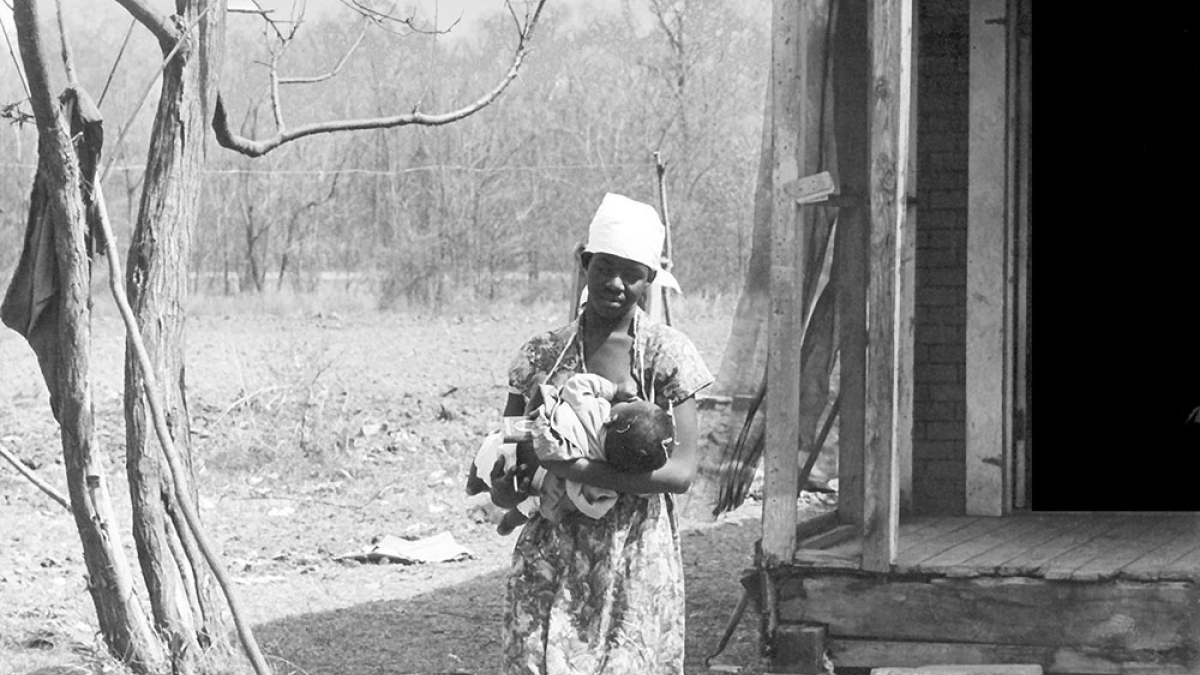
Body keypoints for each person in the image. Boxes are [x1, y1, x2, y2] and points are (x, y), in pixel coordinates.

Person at [489, 192, 714, 674]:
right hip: (549, 555)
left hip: (631, 555)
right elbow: (512, 436)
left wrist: (580, 468)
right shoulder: (541, 355)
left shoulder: (666, 356)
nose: (614, 283)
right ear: (584, 264)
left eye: (630, 273)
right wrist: (506, 479)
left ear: (649, 280)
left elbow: (680, 473)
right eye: (603, 267)